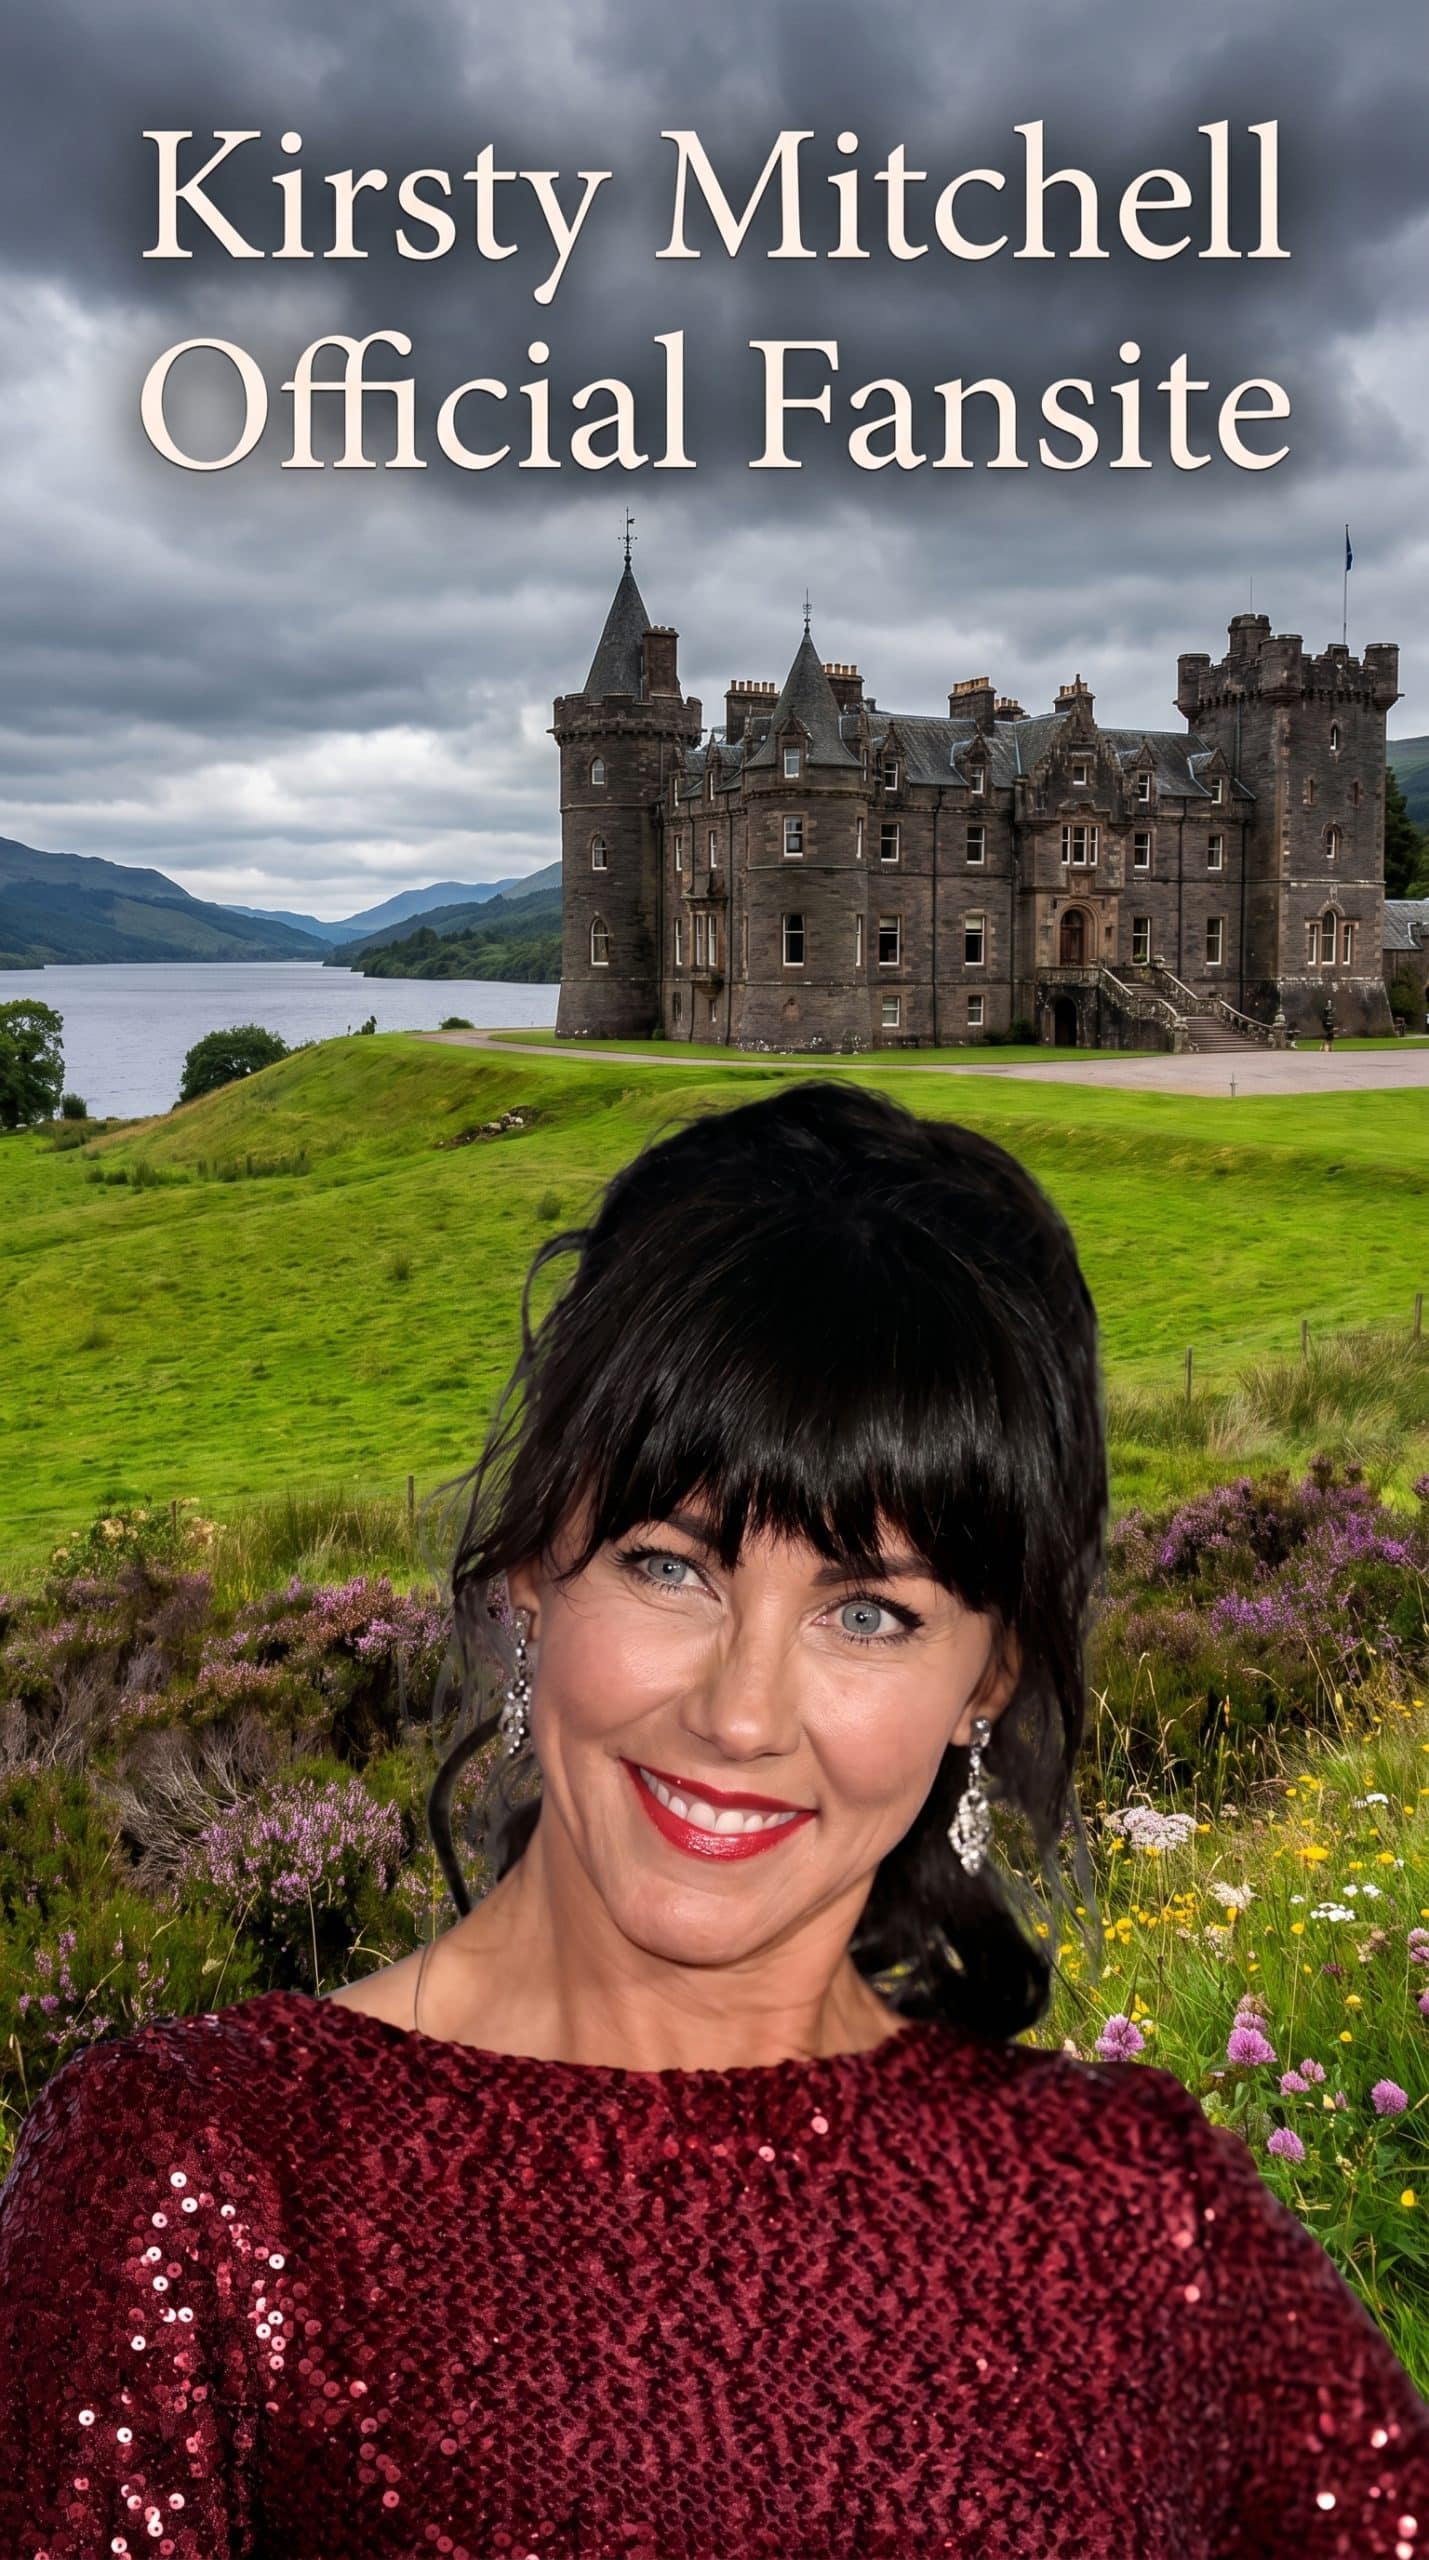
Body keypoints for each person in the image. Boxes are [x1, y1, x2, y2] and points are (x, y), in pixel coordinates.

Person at [0, 1078, 1424, 2559]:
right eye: (670, 1568)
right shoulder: (202, 2181)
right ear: (532, 1572)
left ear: (986, 1681)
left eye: (867, 1614)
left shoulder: (1139, 2219)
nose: (742, 1717)